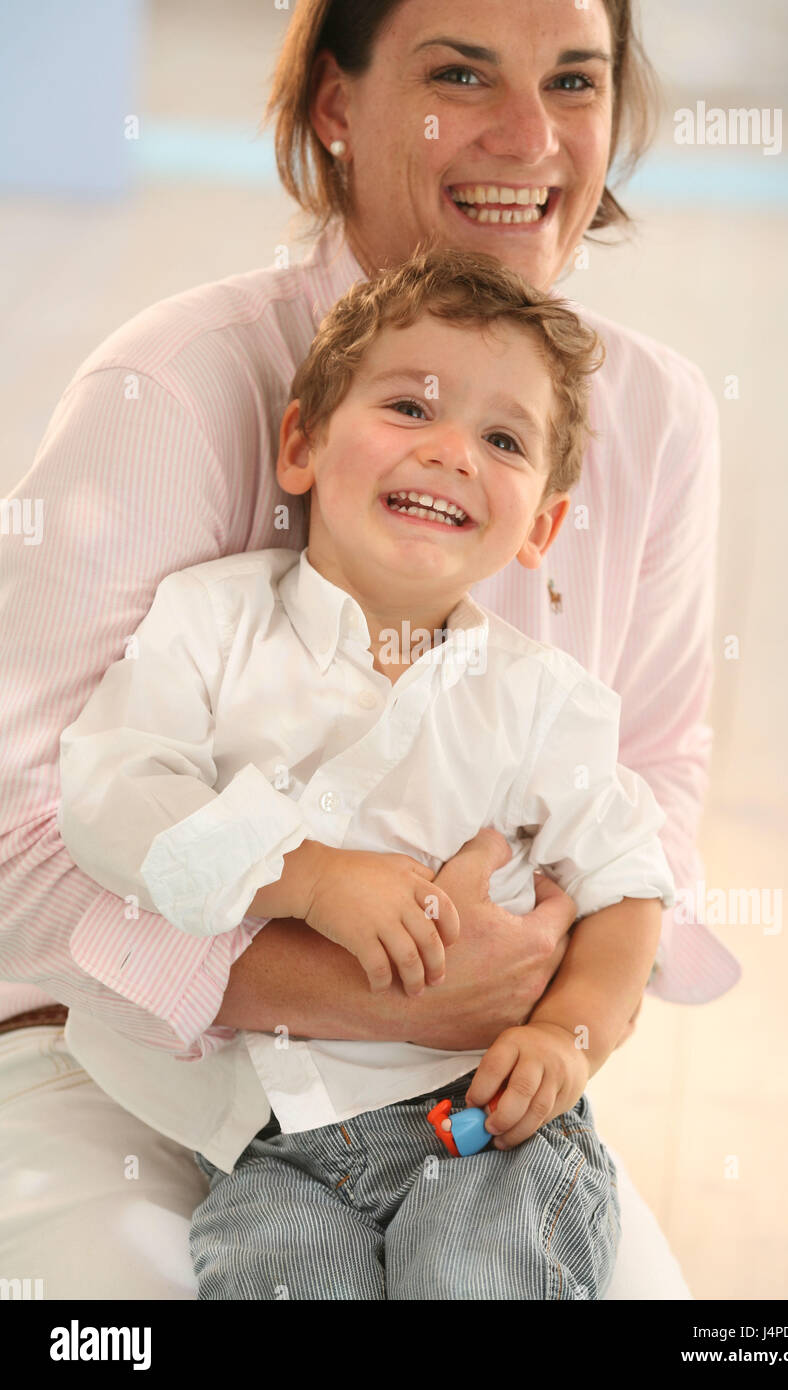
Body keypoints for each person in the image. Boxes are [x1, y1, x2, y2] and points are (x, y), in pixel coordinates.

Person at [0, 0, 738, 1299]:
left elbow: (654, 778)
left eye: (573, 80)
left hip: (461, 1093)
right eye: (460, 73)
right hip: (127, 1067)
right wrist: (374, 971)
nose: (529, 135)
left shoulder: (658, 415)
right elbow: (23, 843)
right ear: (335, 106)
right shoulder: (175, 386)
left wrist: (552, 1007)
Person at [56, 249, 677, 1299]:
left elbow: (628, 888)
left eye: (500, 439)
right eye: (408, 407)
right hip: (274, 1145)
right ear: (300, 442)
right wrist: (304, 872)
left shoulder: (540, 700)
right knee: (267, 1280)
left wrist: (565, 1037)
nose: (449, 453)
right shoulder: (211, 625)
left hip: (486, 1127)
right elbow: (110, 795)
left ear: (541, 525)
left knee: (477, 1280)